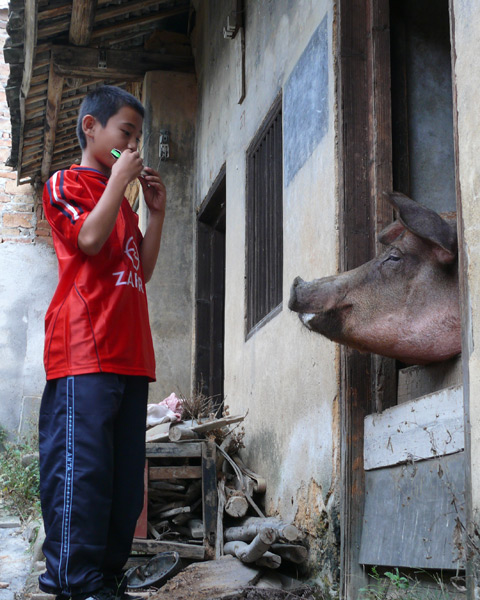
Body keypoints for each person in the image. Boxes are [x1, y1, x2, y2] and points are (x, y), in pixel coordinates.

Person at [38, 85, 166, 600]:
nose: (132, 145)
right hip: (82, 352)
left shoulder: (127, 208)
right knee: (82, 472)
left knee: (121, 479)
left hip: (130, 355)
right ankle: (72, 579)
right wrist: (118, 180)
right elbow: (89, 240)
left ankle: (106, 577)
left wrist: (155, 213)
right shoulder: (65, 183)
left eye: (137, 137)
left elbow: (144, 270)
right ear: (92, 128)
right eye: (125, 133)